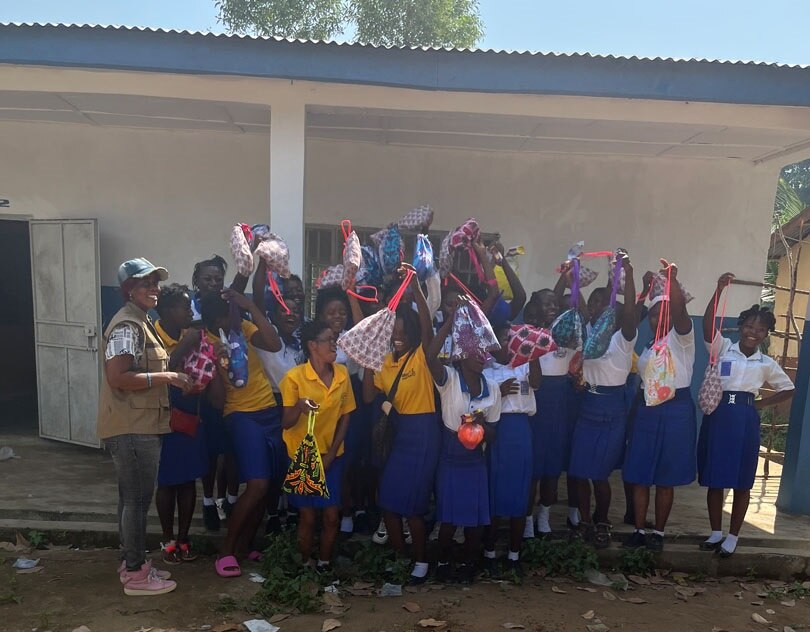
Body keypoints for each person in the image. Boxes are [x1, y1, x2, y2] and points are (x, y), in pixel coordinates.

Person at [98, 258, 190, 596]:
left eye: (155, 282)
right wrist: (169, 376)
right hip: (131, 425)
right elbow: (118, 376)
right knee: (137, 500)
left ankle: (132, 562)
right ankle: (135, 574)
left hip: (138, 422)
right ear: (128, 290)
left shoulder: (141, 321)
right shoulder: (127, 325)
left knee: (131, 499)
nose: (153, 288)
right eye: (144, 283)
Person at [697, 274, 794, 557]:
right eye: (749, 326)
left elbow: (788, 389)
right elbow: (706, 326)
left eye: (760, 329)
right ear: (741, 327)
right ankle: (715, 532)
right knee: (715, 476)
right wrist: (718, 290)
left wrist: (759, 406)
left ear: (766, 334)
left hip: (745, 420)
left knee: (741, 480)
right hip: (719, 414)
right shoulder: (723, 348)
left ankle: (733, 536)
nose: (754, 332)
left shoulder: (766, 363)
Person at [361, 267, 440, 585]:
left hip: (424, 433)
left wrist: (417, 289)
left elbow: (426, 324)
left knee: (413, 506)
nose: (397, 336)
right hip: (400, 435)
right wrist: (368, 357)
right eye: (393, 331)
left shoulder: (421, 355)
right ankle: (400, 556)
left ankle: (421, 561)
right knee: (389, 502)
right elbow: (369, 395)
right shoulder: (384, 361)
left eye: (402, 332)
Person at [201, 289, 284, 578]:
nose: (237, 318)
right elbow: (215, 401)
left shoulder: (243, 330)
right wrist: (216, 364)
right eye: (230, 314)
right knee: (258, 484)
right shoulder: (208, 344)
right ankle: (226, 551)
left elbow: (273, 344)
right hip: (240, 415)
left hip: (269, 411)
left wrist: (251, 306)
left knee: (268, 484)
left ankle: (245, 546)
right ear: (216, 319)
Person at [427, 297, 502, 584]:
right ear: (462, 354)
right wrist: (449, 320)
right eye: (477, 350)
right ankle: (444, 562)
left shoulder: (492, 388)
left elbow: (493, 434)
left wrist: (482, 426)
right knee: (448, 519)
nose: (484, 355)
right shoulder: (448, 380)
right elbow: (430, 357)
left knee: (474, 519)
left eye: (486, 350)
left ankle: (469, 565)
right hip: (450, 456)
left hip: (474, 460)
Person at [623, 261, 695, 552]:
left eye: (663, 312)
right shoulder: (650, 346)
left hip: (676, 411)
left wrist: (672, 280)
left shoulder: (682, 340)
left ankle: (659, 533)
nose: (657, 318)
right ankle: (639, 529)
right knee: (640, 473)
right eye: (653, 314)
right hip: (647, 410)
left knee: (666, 476)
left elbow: (679, 313)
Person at [567, 253, 637, 549]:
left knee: (600, 475)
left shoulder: (623, 339)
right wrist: (573, 274)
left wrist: (629, 275)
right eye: (593, 303)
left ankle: (602, 520)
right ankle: (584, 519)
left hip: (612, 411)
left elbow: (632, 310)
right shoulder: (587, 334)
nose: (595, 307)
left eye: (602, 303)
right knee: (580, 470)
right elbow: (580, 306)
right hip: (588, 407)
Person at [153, 284, 222, 564]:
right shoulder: (153, 336)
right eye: (183, 306)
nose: (188, 311)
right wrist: (184, 347)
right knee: (167, 481)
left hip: (191, 415)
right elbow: (161, 370)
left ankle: (184, 539)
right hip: (163, 418)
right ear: (167, 310)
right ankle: (168, 540)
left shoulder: (193, 335)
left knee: (187, 481)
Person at [280, 320, 355, 572]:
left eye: (335, 338)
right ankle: (305, 564)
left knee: (332, 515)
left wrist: (332, 453)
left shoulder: (342, 374)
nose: (335, 344)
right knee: (308, 516)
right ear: (313, 345)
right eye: (329, 339)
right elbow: (286, 423)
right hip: (303, 456)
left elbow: (346, 415)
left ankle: (323, 563)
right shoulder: (294, 377)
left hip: (332, 455)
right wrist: (300, 407)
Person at [253, 260, 306, 534]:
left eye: (295, 312)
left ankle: (295, 509)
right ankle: (273, 512)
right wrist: (262, 262)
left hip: (298, 406)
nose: (290, 315)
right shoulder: (268, 335)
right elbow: (258, 303)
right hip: (273, 404)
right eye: (284, 310)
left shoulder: (302, 338)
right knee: (274, 463)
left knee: (294, 460)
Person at [483, 322, 540, 575]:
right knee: (494, 491)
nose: (507, 344)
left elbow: (536, 382)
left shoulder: (525, 365)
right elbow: (479, 405)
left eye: (511, 339)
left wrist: (533, 353)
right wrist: (498, 391)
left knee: (520, 490)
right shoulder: (486, 370)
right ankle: (489, 553)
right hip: (498, 430)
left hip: (520, 430)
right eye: (502, 340)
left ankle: (515, 555)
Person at [525, 288, 581, 538]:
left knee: (552, 466)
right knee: (533, 467)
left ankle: (544, 515)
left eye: (555, 303)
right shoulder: (530, 334)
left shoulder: (566, 334)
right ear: (536, 308)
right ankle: (526, 519)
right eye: (546, 303)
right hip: (537, 399)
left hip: (560, 401)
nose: (553, 306)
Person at [191, 255, 240, 531]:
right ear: (197, 281)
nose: (212, 283)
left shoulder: (230, 306)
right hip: (203, 393)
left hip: (233, 391)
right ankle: (209, 501)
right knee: (210, 453)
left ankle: (227, 499)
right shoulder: (190, 311)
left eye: (217, 279)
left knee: (231, 452)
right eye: (207, 279)